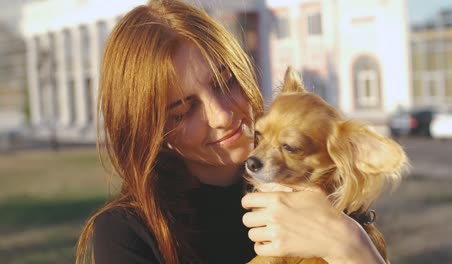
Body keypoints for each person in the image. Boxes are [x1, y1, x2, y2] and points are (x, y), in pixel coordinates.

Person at [76, 0, 387, 263]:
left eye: (226, 83)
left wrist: (348, 244)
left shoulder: (320, 188)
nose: (222, 115)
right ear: (151, 131)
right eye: (184, 111)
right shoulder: (128, 232)